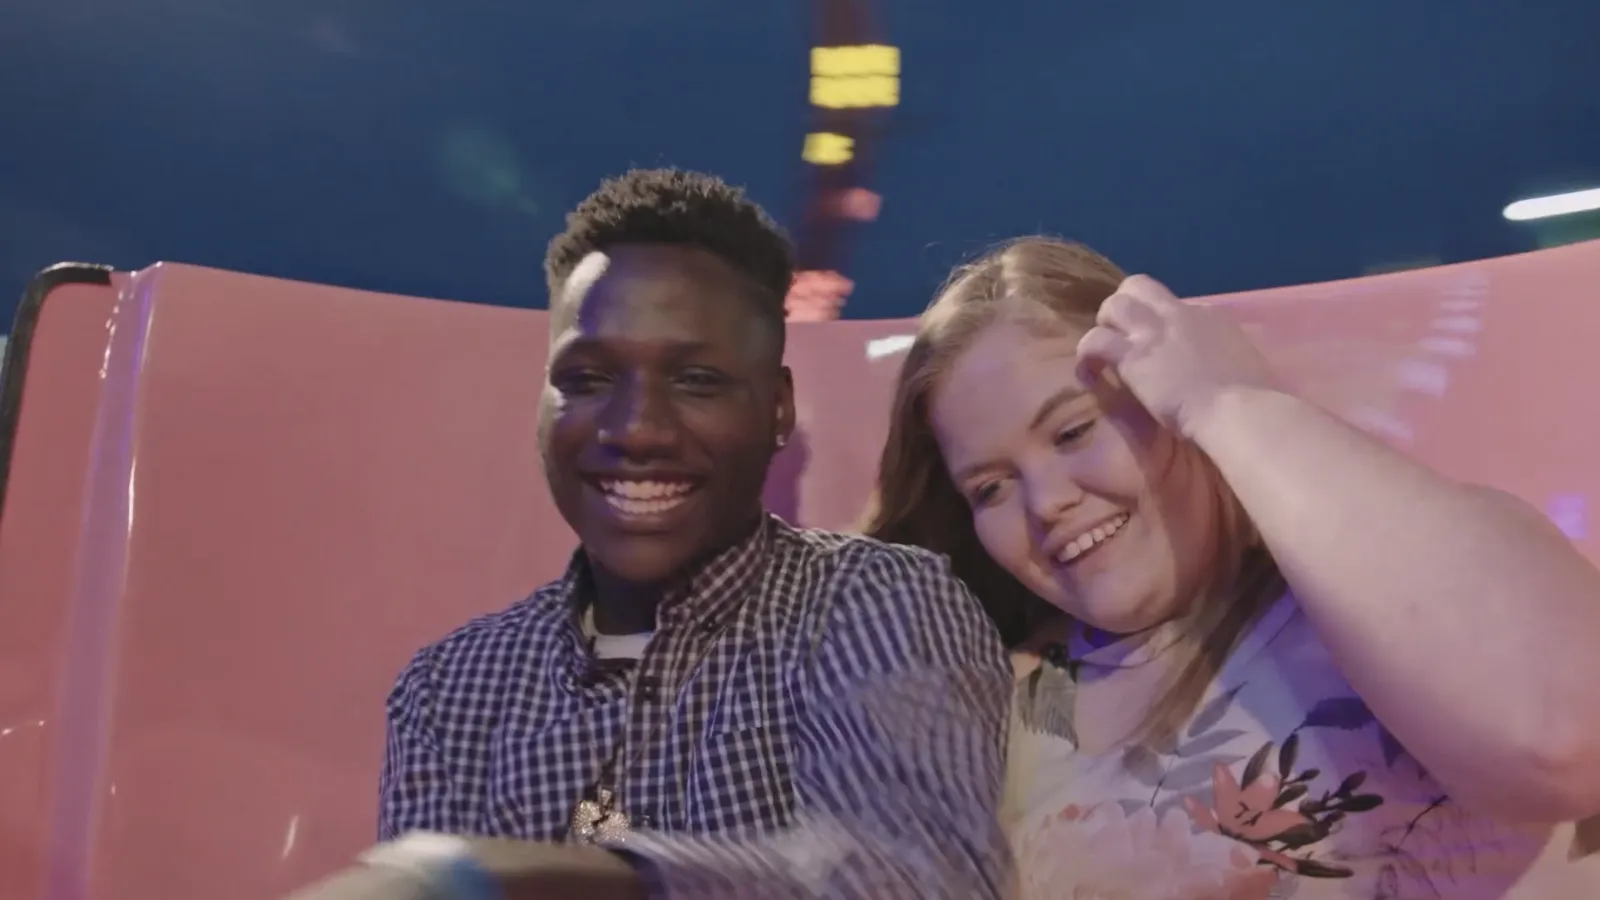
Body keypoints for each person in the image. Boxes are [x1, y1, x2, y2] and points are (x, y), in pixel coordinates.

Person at [282, 169, 1013, 900]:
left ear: (778, 410)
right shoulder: (449, 689)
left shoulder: (877, 602)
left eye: (696, 379)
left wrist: (546, 883)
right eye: (589, 378)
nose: (635, 429)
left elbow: (920, 877)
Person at [862, 236, 1600, 899]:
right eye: (989, 488)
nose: (1046, 502)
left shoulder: (1388, 588)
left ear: (1166, 393)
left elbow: (1560, 731)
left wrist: (1231, 400)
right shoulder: (984, 713)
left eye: (1074, 430)